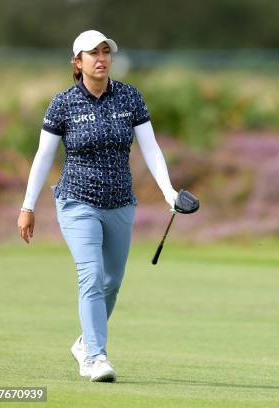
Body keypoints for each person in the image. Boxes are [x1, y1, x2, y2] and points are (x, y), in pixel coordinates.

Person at [17, 30, 179, 382]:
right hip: (77, 201)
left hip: (120, 202)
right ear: (77, 62)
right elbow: (44, 157)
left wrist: (168, 192)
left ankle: (83, 342)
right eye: (93, 53)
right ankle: (95, 357)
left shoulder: (129, 97)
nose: (101, 58)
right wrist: (28, 206)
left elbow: (150, 149)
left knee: (111, 282)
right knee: (90, 275)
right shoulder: (62, 104)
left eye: (106, 52)